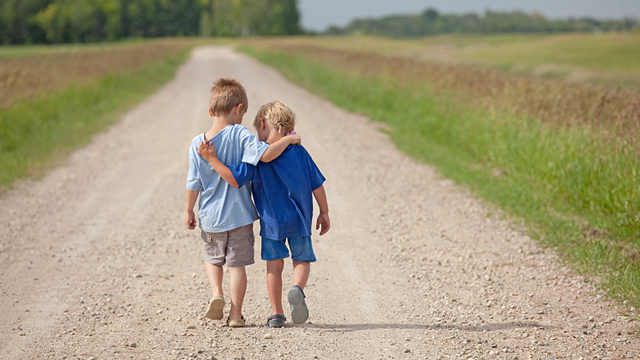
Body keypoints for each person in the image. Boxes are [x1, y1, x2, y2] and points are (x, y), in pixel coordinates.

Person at [198, 100, 330, 328]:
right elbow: (316, 184)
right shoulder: (299, 151)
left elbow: (235, 178)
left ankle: (276, 313)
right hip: (300, 219)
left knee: (274, 267)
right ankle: (297, 288)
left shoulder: (257, 157)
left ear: (261, 124)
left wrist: (213, 159)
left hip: (272, 224)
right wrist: (324, 212)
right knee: (302, 260)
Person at [185, 79, 301, 328]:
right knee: (237, 267)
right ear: (239, 109)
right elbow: (267, 154)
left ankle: (217, 292)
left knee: (213, 258)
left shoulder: (197, 143)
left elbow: (193, 182)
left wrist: (188, 210)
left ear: (210, 111)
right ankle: (236, 315)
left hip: (210, 216)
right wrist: (290, 140)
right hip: (239, 216)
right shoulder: (240, 134)